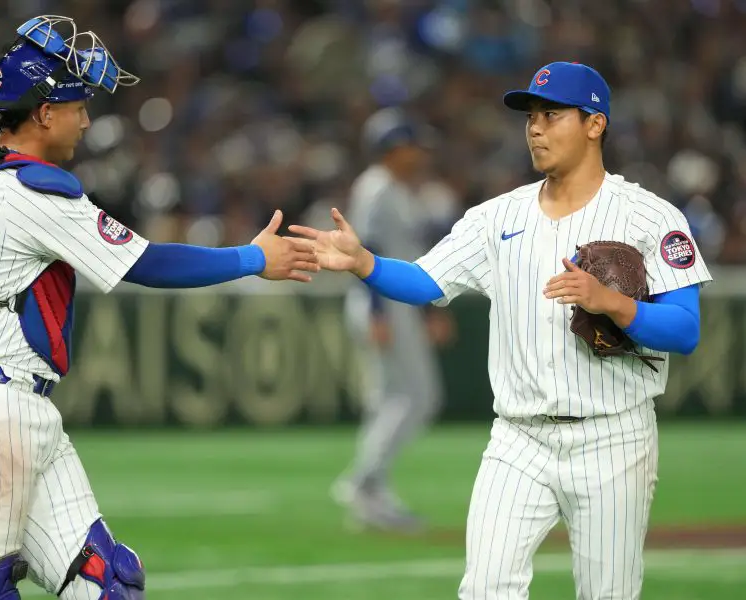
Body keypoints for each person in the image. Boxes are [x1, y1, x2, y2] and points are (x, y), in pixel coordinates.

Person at [0, 15, 317, 600]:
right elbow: (145, 262)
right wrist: (252, 258)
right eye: (78, 105)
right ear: (45, 112)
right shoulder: (34, 191)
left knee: (106, 580)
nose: (86, 118)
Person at [290, 61, 712, 599]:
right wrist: (364, 264)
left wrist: (613, 304)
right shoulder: (496, 218)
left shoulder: (651, 218)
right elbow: (424, 281)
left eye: (552, 114)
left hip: (614, 437)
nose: (535, 127)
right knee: (485, 589)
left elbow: (685, 329)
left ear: (595, 124)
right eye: (531, 116)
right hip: (518, 440)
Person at [332, 108, 448, 532]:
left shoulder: (396, 189)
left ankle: (371, 490)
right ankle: (364, 481)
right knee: (417, 397)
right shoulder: (376, 187)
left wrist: (426, 309)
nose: (418, 153)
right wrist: (379, 312)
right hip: (381, 305)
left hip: (395, 305)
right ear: (392, 148)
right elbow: (366, 249)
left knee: (390, 400)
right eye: (411, 145)